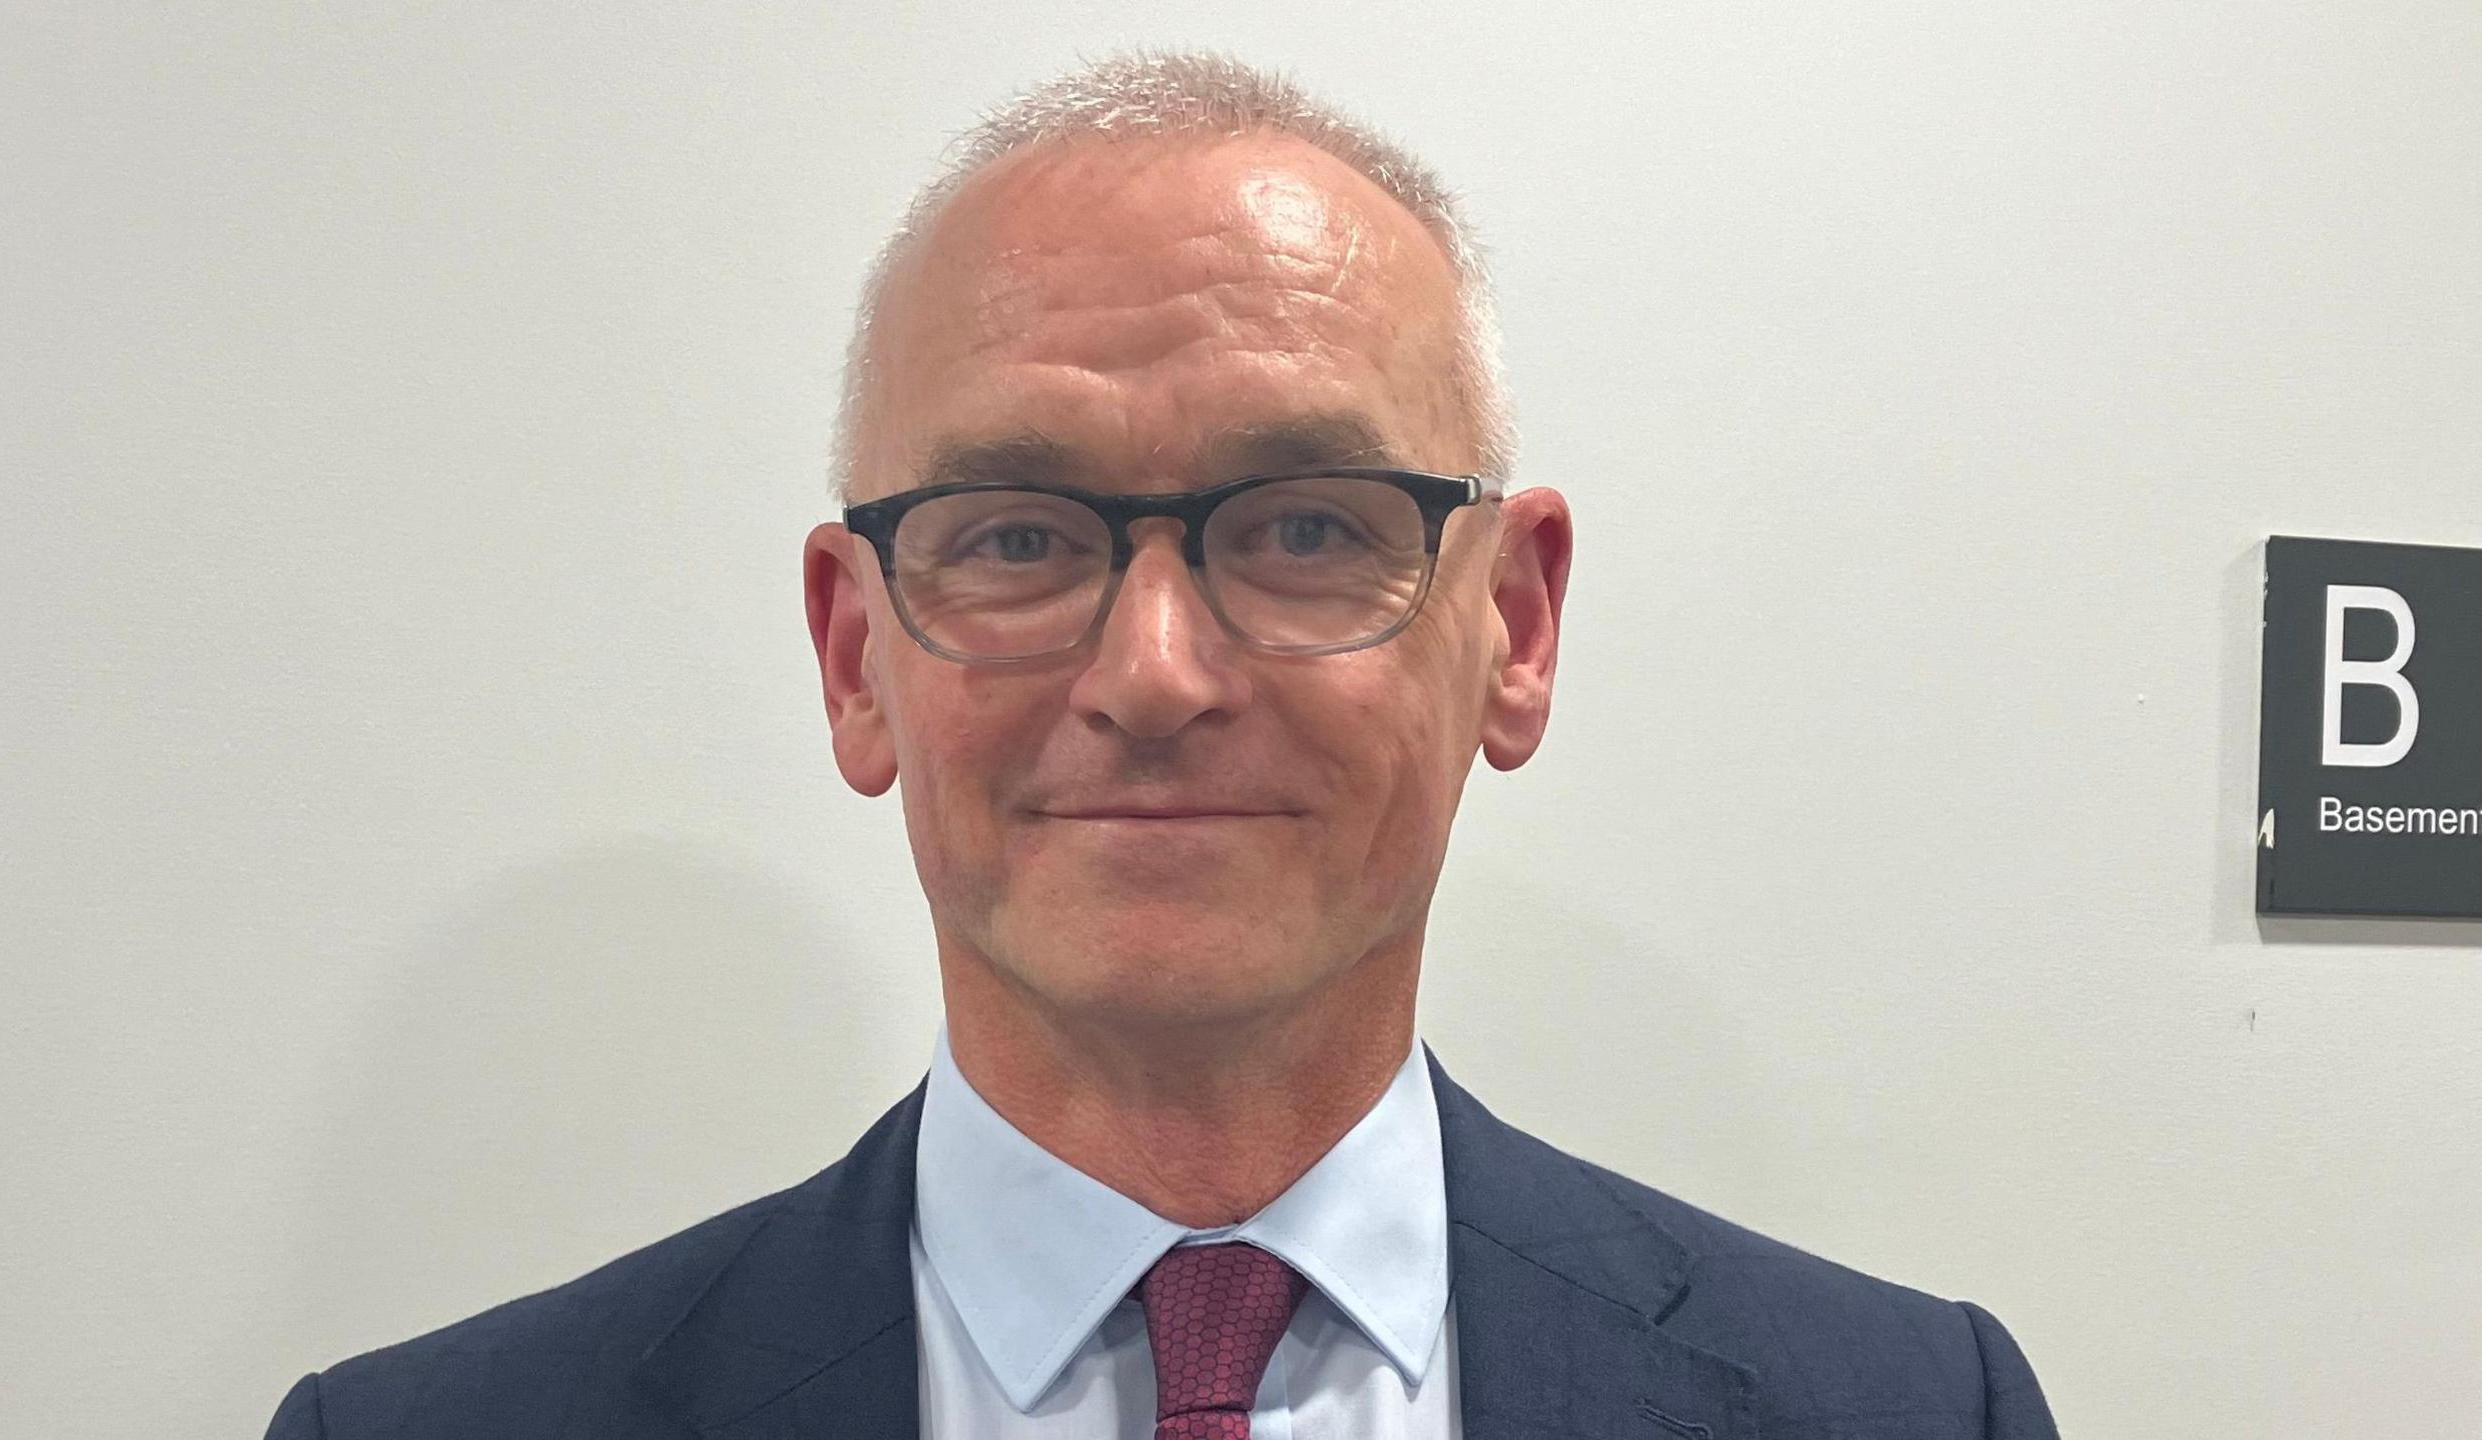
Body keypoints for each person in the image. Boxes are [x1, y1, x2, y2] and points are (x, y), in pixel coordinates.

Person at [264, 50, 2060, 1440]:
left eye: (1303, 527)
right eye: (1018, 538)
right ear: (853, 657)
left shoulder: (1907, 1408)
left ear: (1514, 625)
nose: (1154, 673)